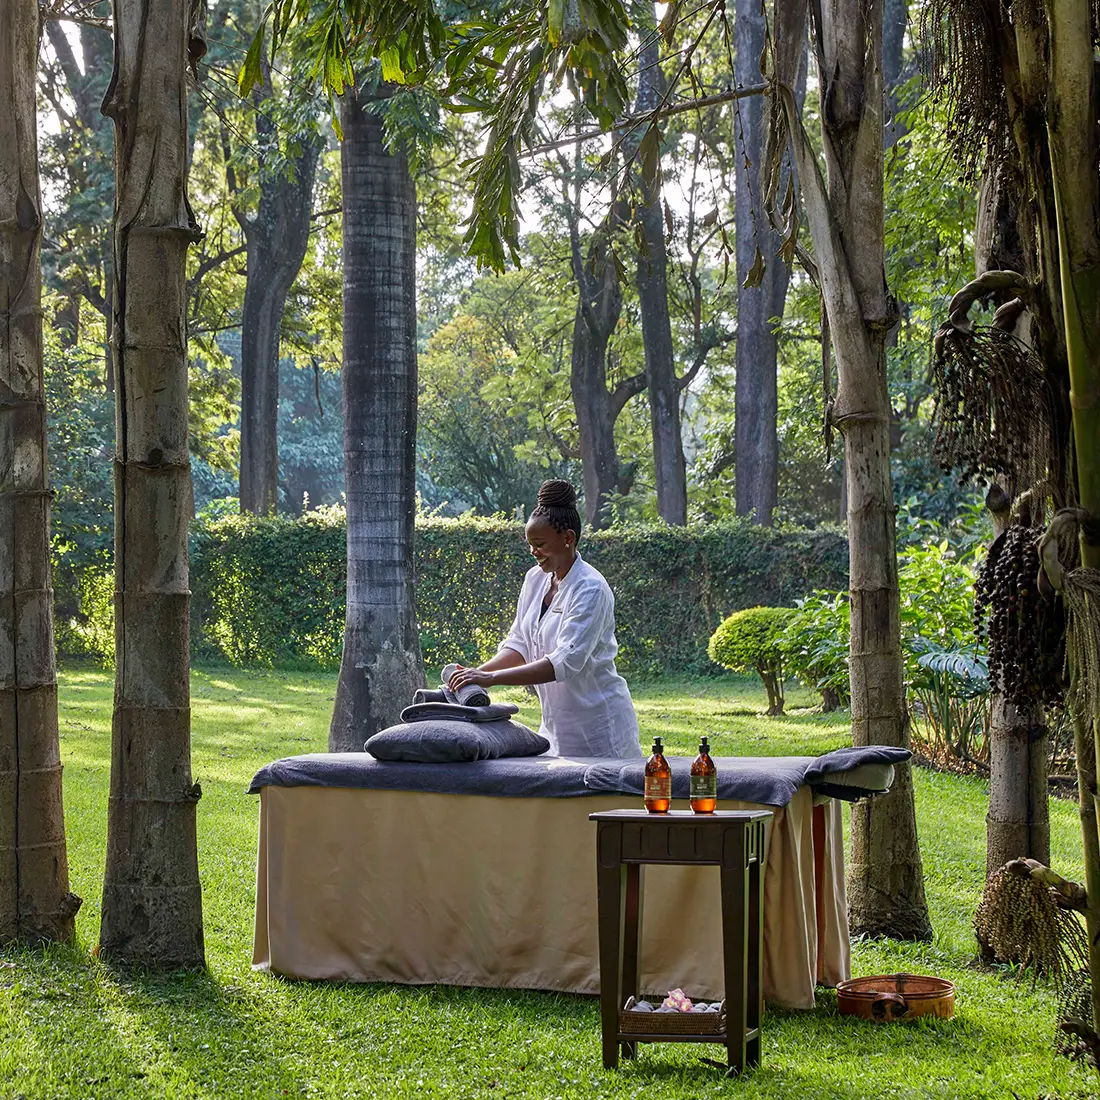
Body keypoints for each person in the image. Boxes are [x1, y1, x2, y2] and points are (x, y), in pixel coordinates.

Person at [448, 480, 642, 759]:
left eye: (540, 544)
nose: (533, 551)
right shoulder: (535, 579)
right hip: (554, 727)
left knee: (603, 801)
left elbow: (564, 663)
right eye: (530, 544)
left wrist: (490, 678)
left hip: (599, 729)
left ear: (568, 538)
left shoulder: (590, 588)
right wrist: (473, 677)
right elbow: (519, 644)